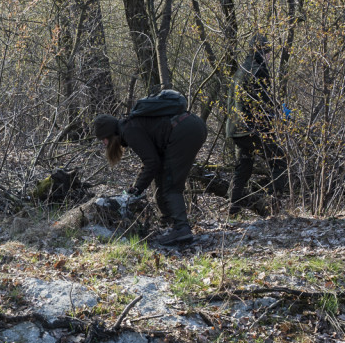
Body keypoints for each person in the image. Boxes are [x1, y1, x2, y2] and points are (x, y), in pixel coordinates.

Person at [93, 107, 208, 246]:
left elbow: (152, 162)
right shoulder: (130, 127)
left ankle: (181, 228)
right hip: (192, 125)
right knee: (163, 174)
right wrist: (136, 187)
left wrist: (138, 189)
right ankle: (169, 222)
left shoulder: (129, 130)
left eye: (104, 139)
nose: (104, 144)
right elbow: (153, 161)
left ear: (110, 134)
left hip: (185, 130)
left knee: (170, 183)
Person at [226, 33, 289, 215]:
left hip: (236, 130)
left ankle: (233, 211)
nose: (270, 56)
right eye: (268, 51)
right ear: (262, 51)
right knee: (280, 161)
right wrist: (278, 114)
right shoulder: (258, 69)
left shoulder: (241, 69)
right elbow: (263, 101)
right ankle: (272, 207)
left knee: (244, 168)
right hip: (253, 129)